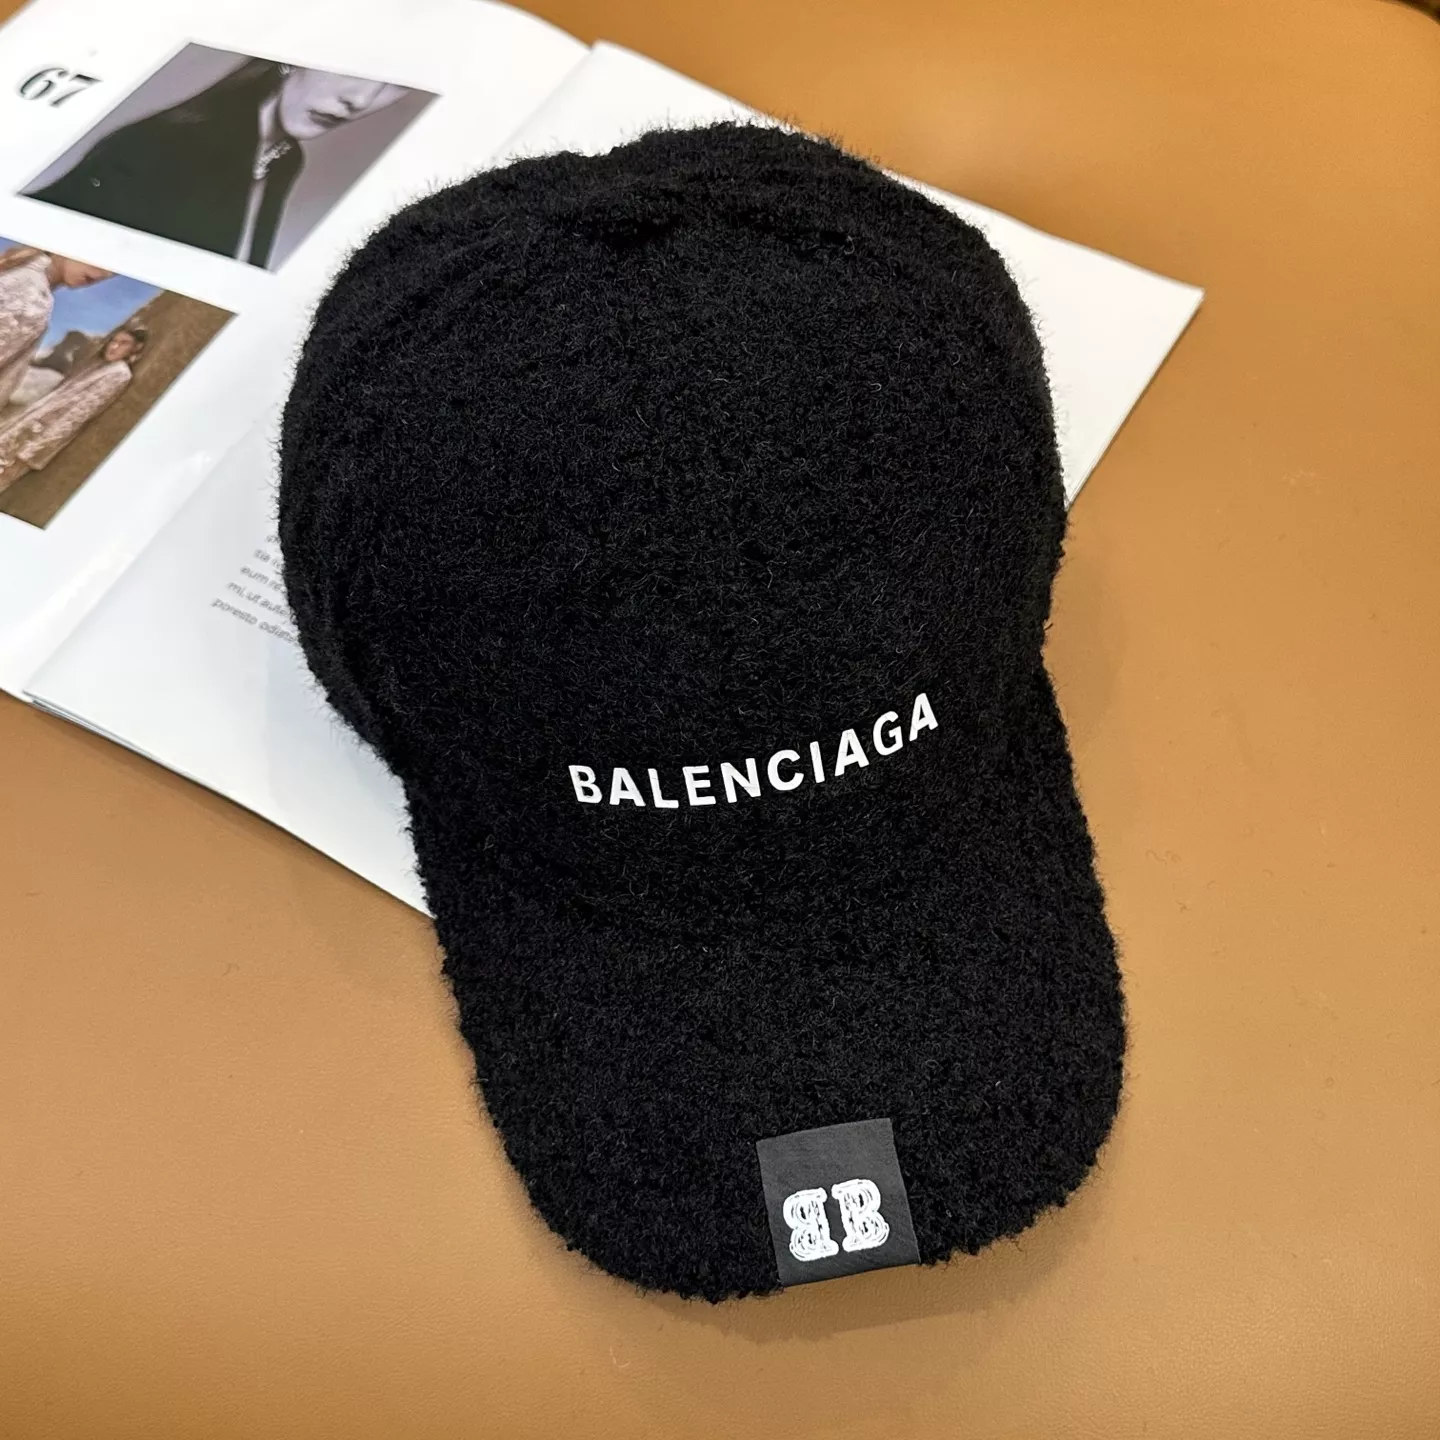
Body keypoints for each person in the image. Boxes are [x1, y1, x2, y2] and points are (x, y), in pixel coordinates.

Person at [27, 59, 410, 268]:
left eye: (396, 85)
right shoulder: (166, 145)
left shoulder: (285, 158)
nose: (361, 99)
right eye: (352, 65)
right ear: (291, 60)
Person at [0, 323, 147, 496]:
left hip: (38, 435)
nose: (114, 347)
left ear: (135, 348)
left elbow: (80, 413)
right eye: (113, 341)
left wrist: (37, 445)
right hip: (30, 423)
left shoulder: (119, 374)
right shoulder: (99, 365)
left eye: (123, 343)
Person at [0, 247, 112, 410]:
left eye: (114, 272)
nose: (104, 274)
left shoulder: (29, 282)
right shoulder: (30, 291)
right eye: (103, 260)